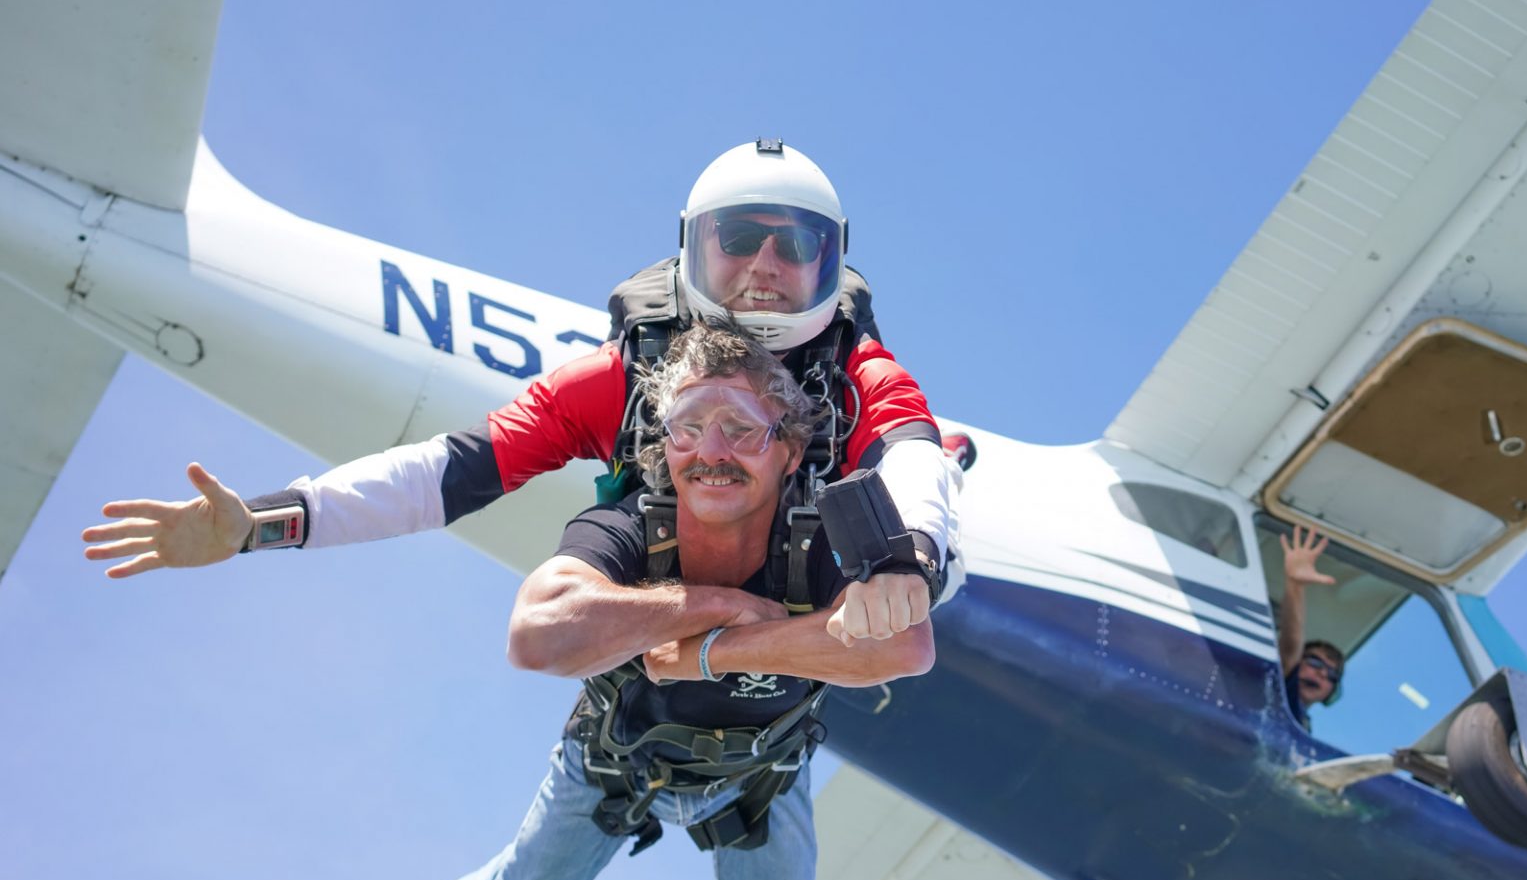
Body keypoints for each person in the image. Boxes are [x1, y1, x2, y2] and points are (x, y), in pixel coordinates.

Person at [80, 139, 956, 644]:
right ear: (692, 247)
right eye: (739, 237)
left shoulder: (858, 379)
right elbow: (447, 472)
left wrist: (913, 556)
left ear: (832, 264)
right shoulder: (624, 380)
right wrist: (258, 525)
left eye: (794, 245)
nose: (766, 265)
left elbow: (915, 461)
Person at [434, 322, 934, 880]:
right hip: (612, 761)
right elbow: (537, 630)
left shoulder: (822, 532)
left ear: (787, 447)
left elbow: (905, 643)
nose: (711, 449)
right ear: (662, 445)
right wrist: (712, 604)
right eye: (687, 427)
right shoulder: (632, 524)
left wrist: (708, 653)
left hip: (759, 779)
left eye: (739, 428)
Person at [1276, 526, 1345, 728]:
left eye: (1332, 675)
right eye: (1315, 663)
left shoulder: (1303, 728)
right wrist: (1295, 586)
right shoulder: (1279, 692)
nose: (1322, 675)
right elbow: (1290, 646)